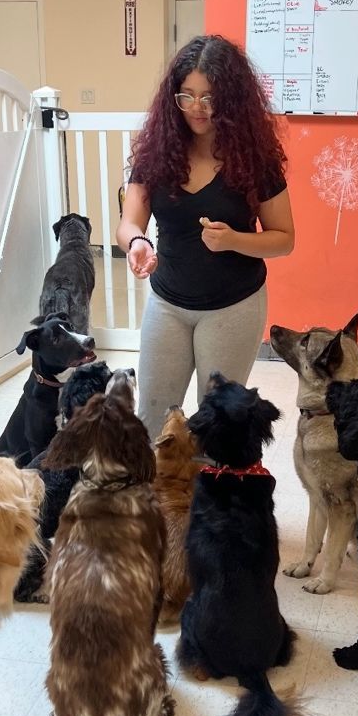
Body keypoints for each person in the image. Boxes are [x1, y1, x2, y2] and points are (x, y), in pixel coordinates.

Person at [116, 34, 295, 439]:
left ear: (231, 100)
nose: (197, 108)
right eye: (187, 96)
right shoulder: (156, 151)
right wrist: (137, 243)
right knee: (153, 419)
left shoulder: (255, 158)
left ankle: (207, 502)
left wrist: (235, 240)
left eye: (209, 97)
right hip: (168, 303)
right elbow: (129, 223)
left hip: (233, 306)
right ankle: (159, 502)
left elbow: (284, 238)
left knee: (218, 426)